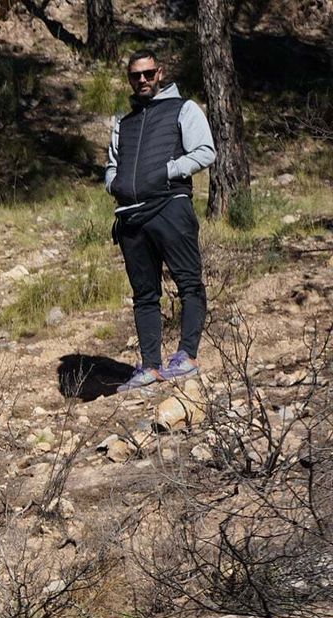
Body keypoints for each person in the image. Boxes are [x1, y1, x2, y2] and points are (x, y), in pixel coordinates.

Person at [105, 49, 216, 393]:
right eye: (135, 75)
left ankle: (188, 356)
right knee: (144, 295)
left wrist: (168, 171)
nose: (142, 80)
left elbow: (205, 151)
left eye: (148, 73)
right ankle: (151, 366)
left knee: (189, 283)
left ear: (160, 72)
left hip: (170, 206)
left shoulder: (184, 108)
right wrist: (115, 183)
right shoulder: (124, 123)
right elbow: (111, 166)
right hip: (131, 217)